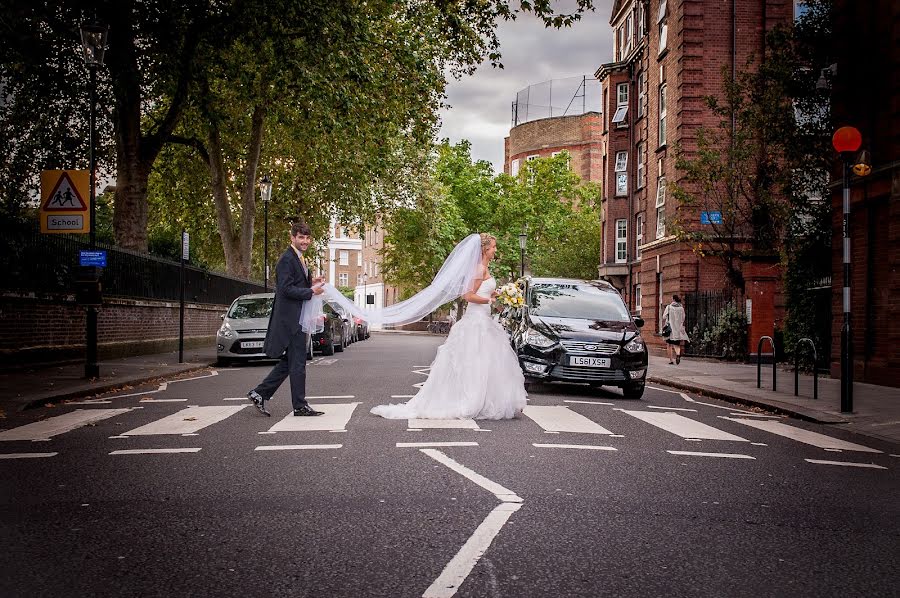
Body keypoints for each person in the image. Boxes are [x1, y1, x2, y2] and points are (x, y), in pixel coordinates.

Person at [370, 234, 527, 420]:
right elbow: (467, 296)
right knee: (473, 362)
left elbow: (481, 292)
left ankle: (484, 401)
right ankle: (471, 400)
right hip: (475, 321)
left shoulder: (484, 268)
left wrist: (497, 295)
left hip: (484, 319)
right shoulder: (479, 268)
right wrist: (489, 298)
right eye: (493, 247)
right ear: (485, 249)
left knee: (485, 362)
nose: (495, 250)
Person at [247, 221, 326, 417]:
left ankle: (260, 393)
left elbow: (294, 283)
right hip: (291, 320)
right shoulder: (287, 259)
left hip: (297, 318)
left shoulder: (299, 258)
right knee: (297, 363)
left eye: (307, 238)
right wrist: (310, 291)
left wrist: (311, 282)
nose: (305, 241)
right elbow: (285, 289)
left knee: (290, 362)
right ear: (292, 238)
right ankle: (299, 406)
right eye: (301, 237)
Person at [662, 294, 689, 365]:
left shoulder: (669, 307)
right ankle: (678, 354)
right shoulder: (681, 308)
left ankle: (671, 360)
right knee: (677, 345)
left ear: (673, 299)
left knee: (669, 345)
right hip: (677, 330)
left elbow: (664, 317)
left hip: (670, 329)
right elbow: (683, 318)